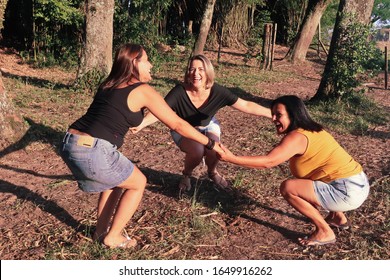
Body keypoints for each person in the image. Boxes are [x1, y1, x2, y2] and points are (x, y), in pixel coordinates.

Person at [59, 44, 223, 249]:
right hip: (94, 148)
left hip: (69, 143)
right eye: (146, 60)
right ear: (135, 63)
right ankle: (113, 237)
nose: (151, 65)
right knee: (138, 182)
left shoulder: (109, 84)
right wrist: (209, 142)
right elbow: (178, 124)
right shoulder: (142, 90)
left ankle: (100, 232)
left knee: (117, 181)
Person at [217, 95, 370, 246]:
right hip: (359, 184)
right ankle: (338, 218)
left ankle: (325, 231)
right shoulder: (314, 129)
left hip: (347, 192)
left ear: (293, 114)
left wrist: (232, 158)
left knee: (288, 188)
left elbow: (268, 161)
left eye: (279, 115)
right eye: (273, 114)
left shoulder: (297, 137)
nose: (273, 119)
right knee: (313, 176)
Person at [132, 54, 271, 191]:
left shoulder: (217, 91)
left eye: (201, 69)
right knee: (197, 151)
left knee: (214, 150)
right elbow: (159, 110)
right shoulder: (180, 92)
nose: (195, 73)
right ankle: (186, 175)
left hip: (208, 124)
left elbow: (246, 105)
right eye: (192, 69)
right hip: (182, 128)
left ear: (208, 72)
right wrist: (142, 124)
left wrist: (271, 113)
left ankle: (212, 172)